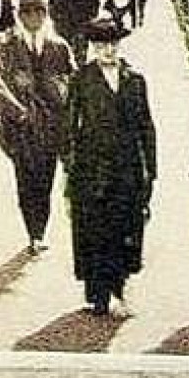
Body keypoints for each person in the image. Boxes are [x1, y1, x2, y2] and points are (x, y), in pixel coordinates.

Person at [65, 17, 157, 316]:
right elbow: (69, 127)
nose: (107, 50)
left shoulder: (135, 80)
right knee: (95, 230)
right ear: (93, 47)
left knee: (124, 228)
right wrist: (70, 166)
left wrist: (150, 169)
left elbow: (146, 126)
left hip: (127, 167)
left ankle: (118, 289)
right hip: (92, 169)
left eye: (112, 43)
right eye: (101, 44)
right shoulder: (81, 79)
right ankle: (99, 293)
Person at [0, 0, 74, 255]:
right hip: (19, 129)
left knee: (45, 179)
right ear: (20, 18)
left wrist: (61, 89)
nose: (33, 18)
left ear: (45, 16)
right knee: (25, 179)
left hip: (50, 127)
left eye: (39, 13)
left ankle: (40, 229)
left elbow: (72, 80)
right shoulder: (8, 48)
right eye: (27, 14)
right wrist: (17, 109)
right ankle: (33, 233)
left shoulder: (59, 47)